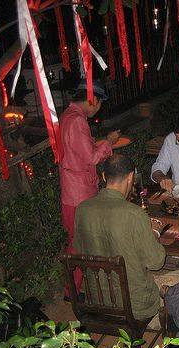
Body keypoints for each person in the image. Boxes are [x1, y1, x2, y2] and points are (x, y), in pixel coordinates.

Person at [73, 155, 179, 324]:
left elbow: (79, 249)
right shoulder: (134, 214)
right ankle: (155, 323)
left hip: (96, 300)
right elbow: (156, 262)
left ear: (104, 176)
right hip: (135, 307)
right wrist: (155, 233)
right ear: (130, 177)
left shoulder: (82, 209)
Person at [59, 80, 120, 298]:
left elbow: (80, 151)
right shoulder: (77, 121)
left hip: (73, 189)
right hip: (78, 194)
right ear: (92, 101)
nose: (99, 109)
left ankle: (76, 287)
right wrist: (109, 142)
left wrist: (102, 143)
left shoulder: (68, 115)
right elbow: (92, 157)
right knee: (78, 242)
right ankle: (72, 291)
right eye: (99, 104)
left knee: (78, 241)